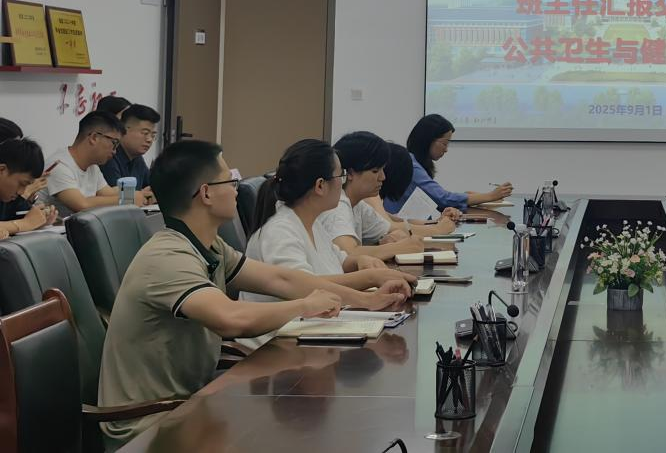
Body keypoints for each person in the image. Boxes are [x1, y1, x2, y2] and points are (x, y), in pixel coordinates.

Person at [97, 140, 411, 450]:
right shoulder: (168, 258)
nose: (236, 188)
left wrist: (366, 300)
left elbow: (281, 279)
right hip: (147, 425)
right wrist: (306, 305)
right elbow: (230, 319)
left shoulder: (210, 247)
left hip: (188, 405)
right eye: (229, 181)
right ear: (206, 193)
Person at [244, 139, 417, 305]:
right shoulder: (280, 232)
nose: (343, 183)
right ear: (320, 185)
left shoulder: (311, 221)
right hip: (288, 326)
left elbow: (339, 260)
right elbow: (304, 287)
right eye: (341, 175)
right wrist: (371, 278)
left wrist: (359, 261)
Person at [320, 131, 459, 261]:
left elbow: (393, 228)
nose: (383, 177)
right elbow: (348, 253)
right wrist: (400, 246)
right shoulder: (337, 205)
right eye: (375, 171)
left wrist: (405, 238)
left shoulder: (358, 205)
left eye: (383, 170)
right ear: (350, 173)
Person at [382, 113, 512, 215]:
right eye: (444, 143)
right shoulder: (412, 165)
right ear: (428, 140)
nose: (446, 149)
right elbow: (443, 199)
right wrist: (490, 196)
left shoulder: (415, 161)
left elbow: (438, 199)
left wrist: (476, 197)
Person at [44, 110, 155, 216]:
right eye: (114, 143)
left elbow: (108, 193)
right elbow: (82, 205)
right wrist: (127, 199)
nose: (115, 151)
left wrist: (140, 194)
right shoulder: (59, 166)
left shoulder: (92, 166)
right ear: (94, 138)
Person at [371, 142, 464, 231]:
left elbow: (400, 221)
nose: (382, 177)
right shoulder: (371, 197)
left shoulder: (376, 198)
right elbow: (390, 227)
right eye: (375, 171)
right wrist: (438, 229)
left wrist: (439, 221)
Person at [0, 134, 56, 238]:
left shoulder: (6, 198)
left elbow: (11, 220)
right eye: (22, 184)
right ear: (2, 170)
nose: (21, 192)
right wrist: (26, 223)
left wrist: (39, 220)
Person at [101, 103, 160, 190]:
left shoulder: (137, 158)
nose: (149, 139)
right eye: (145, 133)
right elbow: (120, 195)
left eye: (153, 135)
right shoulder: (109, 156)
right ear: (124, 130)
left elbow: (153, 188)